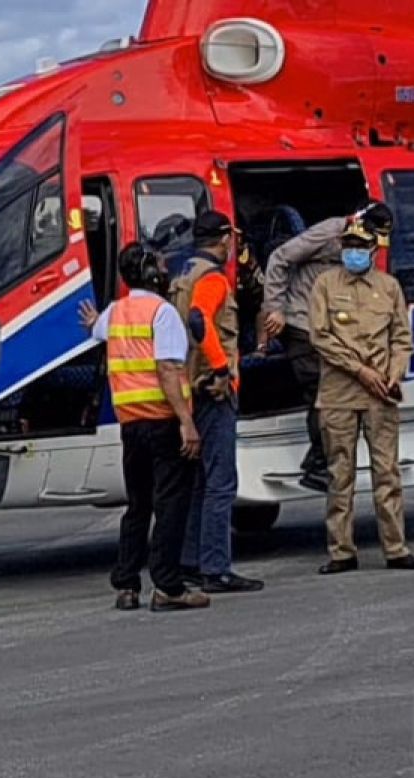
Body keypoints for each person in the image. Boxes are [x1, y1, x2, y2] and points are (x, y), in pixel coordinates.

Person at [79, 243, 212, 612]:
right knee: (170, 505)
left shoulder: (116, 312)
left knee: (138, 505)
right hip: (163, 422)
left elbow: (98, 332)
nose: (166, 268)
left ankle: (126, 585)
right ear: (151, 273)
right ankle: (168, 586)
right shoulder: (162, 312)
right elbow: (168, 370)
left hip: (131, 425)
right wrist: (187, 421)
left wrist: (93, 323)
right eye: (160, 264)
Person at [309, 215, 414, 574]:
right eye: (348, 246)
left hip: (381, 395)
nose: (353, 252)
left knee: (387, 473)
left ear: (374, 250)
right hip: (339, 393)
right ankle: (341, 551)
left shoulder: (389, 287)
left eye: (360, 246)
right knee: (339, 474)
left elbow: (402, 339)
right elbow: (320, 337)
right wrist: (362, 371)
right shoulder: (325, 285)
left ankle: (395, 547)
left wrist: (392, 375)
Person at [264, 200, 394, 492]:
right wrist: (275, 308)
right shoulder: (329, 232)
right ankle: (319, 465)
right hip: (299, 321)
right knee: (323, 391)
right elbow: (279, 259)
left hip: (327, 327)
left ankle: (324, 459)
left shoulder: (365, 250)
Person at [169, 211, 265, 594]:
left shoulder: (183, 273)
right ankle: (216, 568)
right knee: (221, 482)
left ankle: (191, 562)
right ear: (224, 239)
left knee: (198, 483)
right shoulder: (210, 278)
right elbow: (199, 320)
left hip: (190, 386)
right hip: (213, 388)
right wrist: (223, 369)